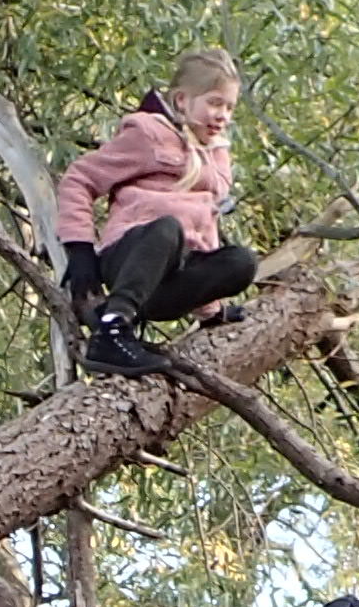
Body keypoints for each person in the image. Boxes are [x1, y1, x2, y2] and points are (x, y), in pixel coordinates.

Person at [57, 47, 251, 375]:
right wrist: (80, 251)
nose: (223, 115)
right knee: (168, 229)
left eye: (229, 107)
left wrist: (211, 311)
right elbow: (79, 179)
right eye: (215, 103)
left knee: (242, 262)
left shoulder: (216, 157)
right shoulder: (148, 134)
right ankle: (111, 331)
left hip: (166, 284)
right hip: (131, 256)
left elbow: (204, 232)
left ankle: (126, 318)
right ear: (182, 100)